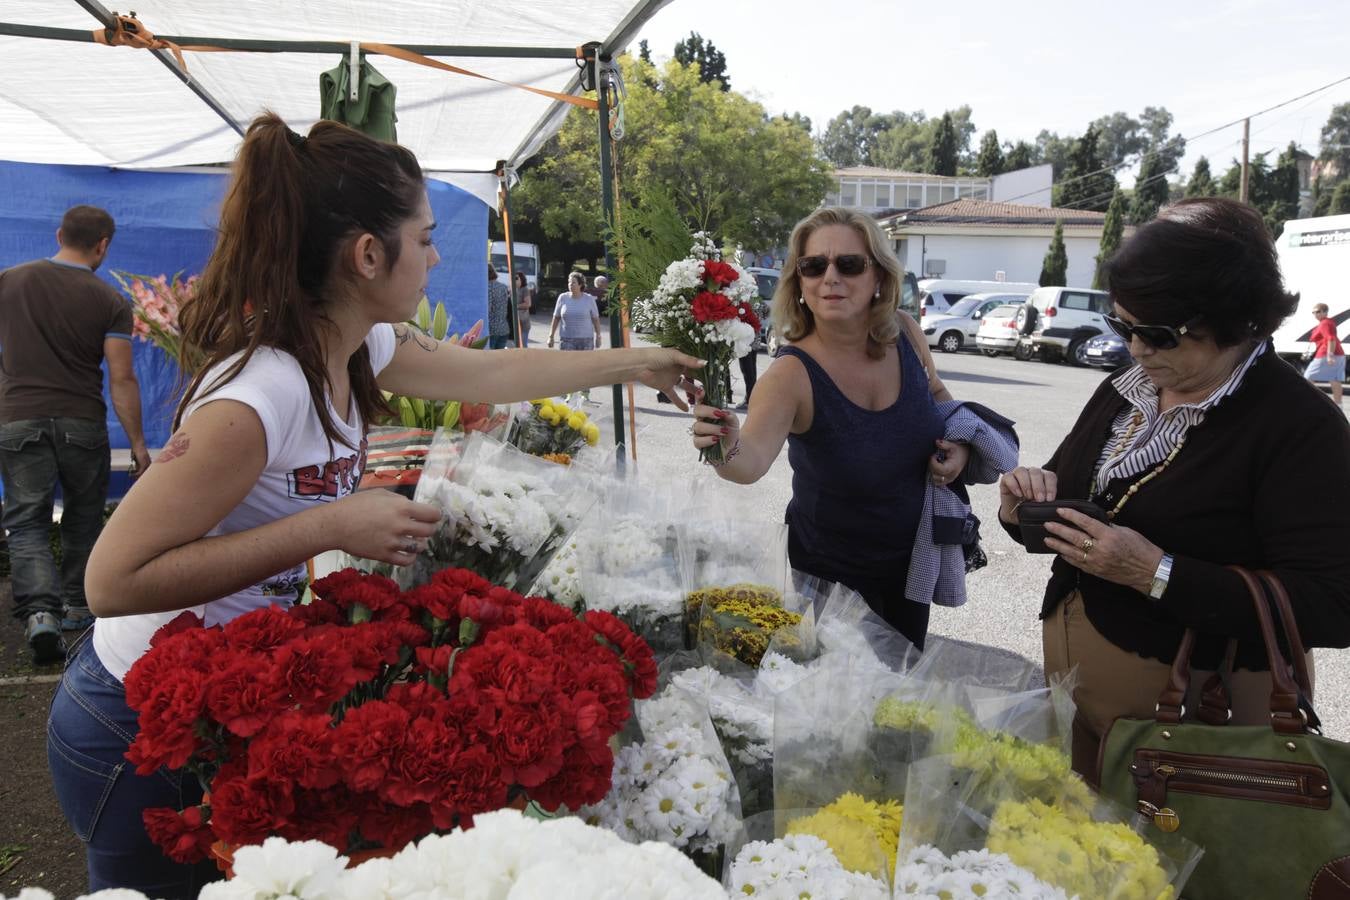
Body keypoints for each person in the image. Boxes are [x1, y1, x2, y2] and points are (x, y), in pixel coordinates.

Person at [46, 114, 700, 898]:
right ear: (366, 255)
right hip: (133, 724)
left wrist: (638, 360)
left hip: (213, 710)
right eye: (423, 237)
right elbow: (110, 581)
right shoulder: (260, 395)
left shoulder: (358, 345)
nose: (434, 255)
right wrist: (330, 523)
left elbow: (492, 374)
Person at [997, 197, 1350, 777]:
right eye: (1124, 326)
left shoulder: (1297, 425)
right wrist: (1023, 509)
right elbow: (1073, 501)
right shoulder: (1127, 386)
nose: (1135, 349)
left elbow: (1334, 605)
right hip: (1085, 710)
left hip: (1195, 740)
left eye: (1159, 334)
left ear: (1237, 320)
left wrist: (1156, 573)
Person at [690, 207, 971, 649]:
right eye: (814, 266)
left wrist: (958, 443)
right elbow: (751, 462)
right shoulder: (791, 374)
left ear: (879, 275)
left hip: (910, 572)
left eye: (850, 264)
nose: (830, 277)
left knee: (898, 704)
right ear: (798, 282)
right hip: (824, 585)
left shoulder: (907, 334)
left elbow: (937, 394)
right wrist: (724, 445)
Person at [0, 205, 152, 664]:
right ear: (103, 245)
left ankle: (39, 615)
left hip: (19, 419)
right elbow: (122, 377)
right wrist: (139, 445)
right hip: (83, 424)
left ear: (60, 233)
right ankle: (79, 607)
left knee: (26, 521)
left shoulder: (10, 281)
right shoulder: (110, 301)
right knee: (84, 519)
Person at [548, 271, 603, 404]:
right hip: (567, 339)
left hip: (586, 339)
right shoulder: (563, 298)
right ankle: (569, 393)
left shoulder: (588, 299)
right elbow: (556, 318)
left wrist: (598, 336)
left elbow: (595, 319)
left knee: (586, 368)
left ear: (580, 285)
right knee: (568, 367)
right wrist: (551, 336)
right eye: (569, 282)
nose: (570, 285)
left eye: (573, 283)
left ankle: (585, 393)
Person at [1303, 302, 1344, 407]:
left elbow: (1331, 339)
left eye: (1318, 311)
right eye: (1314, 312)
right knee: (1335, 380)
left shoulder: (1325, 323)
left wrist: (1330, 355)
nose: (1315, 314)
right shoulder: (1327, 323)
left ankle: (1311, 402)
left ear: (1325, 312)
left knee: (1307, 378)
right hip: (1338, 354)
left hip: (1325, 354)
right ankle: (1339, 406)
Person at [486, 263, 512, 349]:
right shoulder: (503, 287)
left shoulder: (488, 288)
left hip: (492, 329)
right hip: (504, 328)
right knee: (499, 358)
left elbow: (487, 309)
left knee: (490, 358)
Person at [513, 270, 534, 346]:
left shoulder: (524, 289)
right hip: (516, 321)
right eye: (513, 278)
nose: (514, 280)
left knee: (523, 344)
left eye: (516, 278)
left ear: (521, 279)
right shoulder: (514, 289)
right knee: (517, 345)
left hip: (523, 322)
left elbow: (528, 304)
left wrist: (515, 306)